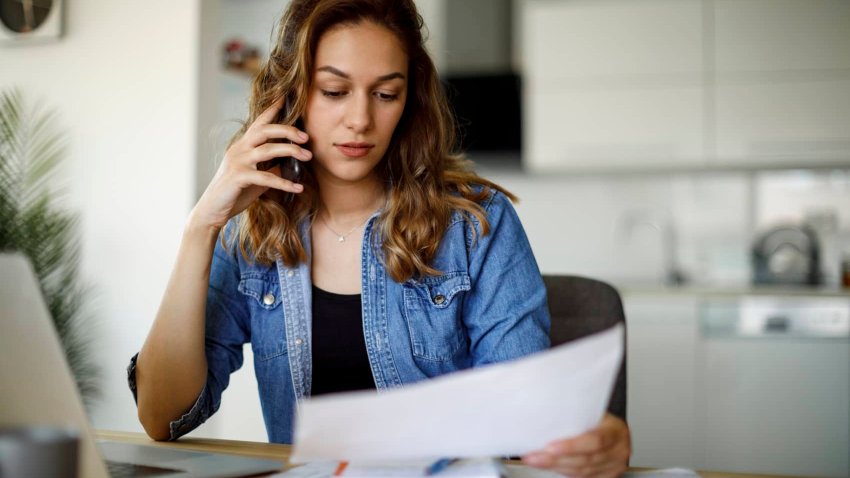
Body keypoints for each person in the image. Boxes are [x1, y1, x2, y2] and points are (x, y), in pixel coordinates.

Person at [129, 0, 631, 476]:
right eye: (333, 91)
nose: (360, 120)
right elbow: (162, 417)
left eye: (386, 93)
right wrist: (202, 227)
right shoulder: (253, 231)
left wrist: (595, 438)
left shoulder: (476, 223)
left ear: (408, 100)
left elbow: (526, 422)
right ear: (291, 95)